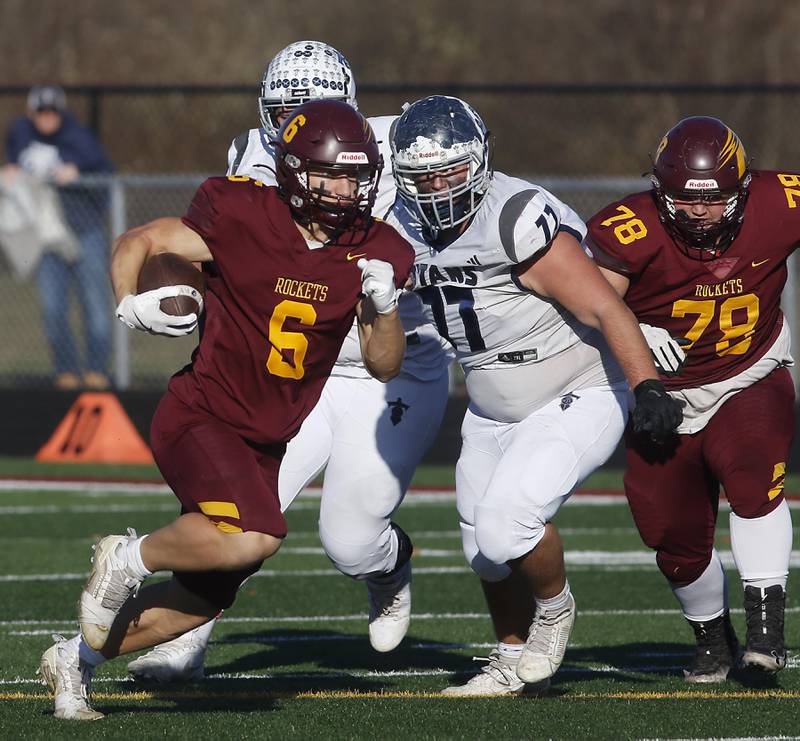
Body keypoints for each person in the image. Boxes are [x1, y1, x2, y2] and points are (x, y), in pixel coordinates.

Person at [38, 99, 415, 720]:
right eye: (336, 175)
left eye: (359, 176)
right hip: (202, 415)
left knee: (200, 601)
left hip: (267, 442)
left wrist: (385, 304)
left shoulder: (375, 247)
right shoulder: (242, 211)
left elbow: (383, 364)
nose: (350, 189)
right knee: (254, 539)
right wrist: (128, 304)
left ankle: (73, 660)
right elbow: (142, 238)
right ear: (296, 173)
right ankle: (127, 558)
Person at [126, 40, 453, 684]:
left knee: (350, 539)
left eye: (314, 107)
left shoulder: (406, 140)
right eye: (281, 110)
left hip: (392, 358)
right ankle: (186, 638)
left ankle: (386, 566)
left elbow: (472, 187)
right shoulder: (256, 159)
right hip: (301, 363)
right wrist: (177, 294)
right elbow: (222, 247)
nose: (292, 124)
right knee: (240, 513)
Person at [386, 95, 683, 695]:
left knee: (507, 525)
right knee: (484, 550)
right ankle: (511, 659)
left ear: (481, 161)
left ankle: (555, 611)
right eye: (422, 176)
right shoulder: (398, 226)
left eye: (450, 169)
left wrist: (646, 385)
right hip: (490, 406)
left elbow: (603, 304)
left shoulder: (514, 216)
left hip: (574, 388)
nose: (438, 187)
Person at [587, 116, 794, 683]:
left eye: (714, 199)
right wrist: (628, 327)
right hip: (662, 393)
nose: (699, 212)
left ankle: (766, 636)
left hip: (748, 373)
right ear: (660, 190)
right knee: (671, 535)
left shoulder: (781, 201)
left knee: (754, 480)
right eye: (683, 199)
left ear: (743, 188)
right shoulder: (629, 229)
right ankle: (712, 639)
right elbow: (586, 303)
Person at [4, 84, 114, 389]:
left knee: (94, 306)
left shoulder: (78, 137)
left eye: (52, 111)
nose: (47, 118)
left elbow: (106, 175)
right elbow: (14, 163)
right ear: (31, 112)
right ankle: (64, 373)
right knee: (52, 309)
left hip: (83, 231)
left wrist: (77, 175)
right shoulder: (20, 133)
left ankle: (96, 373)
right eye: (41, 111)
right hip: (46, 236)